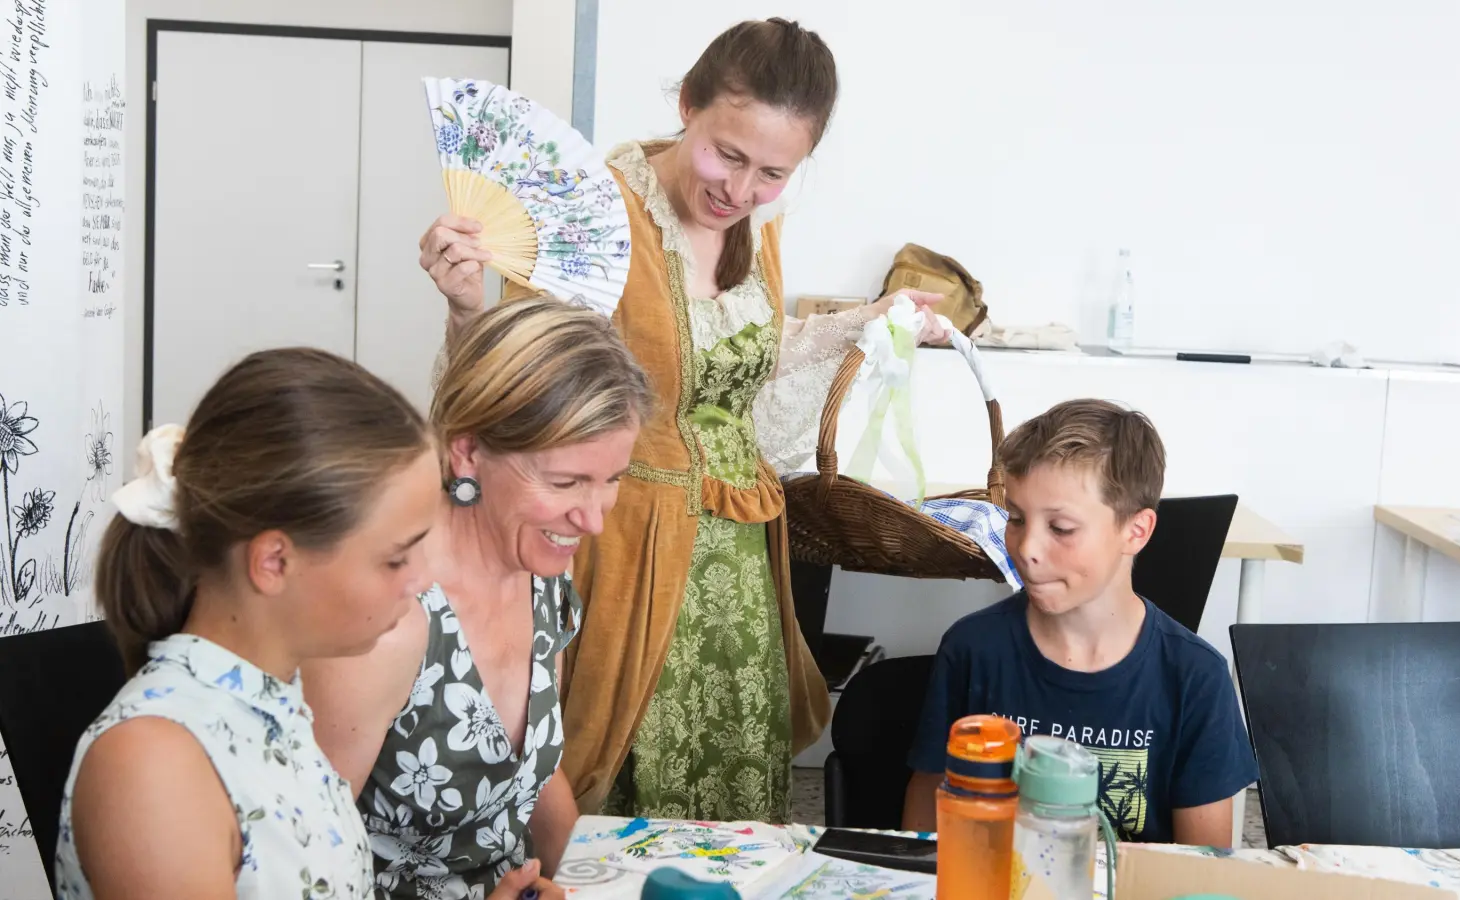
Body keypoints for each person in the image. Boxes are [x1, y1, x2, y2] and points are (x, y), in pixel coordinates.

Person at [419, 17, 949, 823]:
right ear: (688, 104)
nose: (739, 191)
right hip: (623, 542)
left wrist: (870, 317)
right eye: (726, 154)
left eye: (773, 171)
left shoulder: (758, 228)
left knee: (733, 781)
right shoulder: (592, 211)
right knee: (618, 770)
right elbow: (512, 380)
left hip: (739, 558)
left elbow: (740, 356)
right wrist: (466, 310)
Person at [56, 348, 555, 899]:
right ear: (274, 562)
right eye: (395, 557)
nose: (420, 580)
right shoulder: (153, 767)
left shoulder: (278, 707)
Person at [302, 296, 653, 899]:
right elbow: (304, 859)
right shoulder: (386, 613)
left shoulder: (543, 573)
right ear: (467, 452)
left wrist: (596, 885)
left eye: (611, 480)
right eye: (566, 482)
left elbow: (533, 780)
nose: (593, 520)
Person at [901, 399, 1259, 846]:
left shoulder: (1195, 677)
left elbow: (1201, 869)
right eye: (1015, 517)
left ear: (1136, 531)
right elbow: (926, 822)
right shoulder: (972, 649)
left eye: (1062, 528)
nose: (1026, 547)